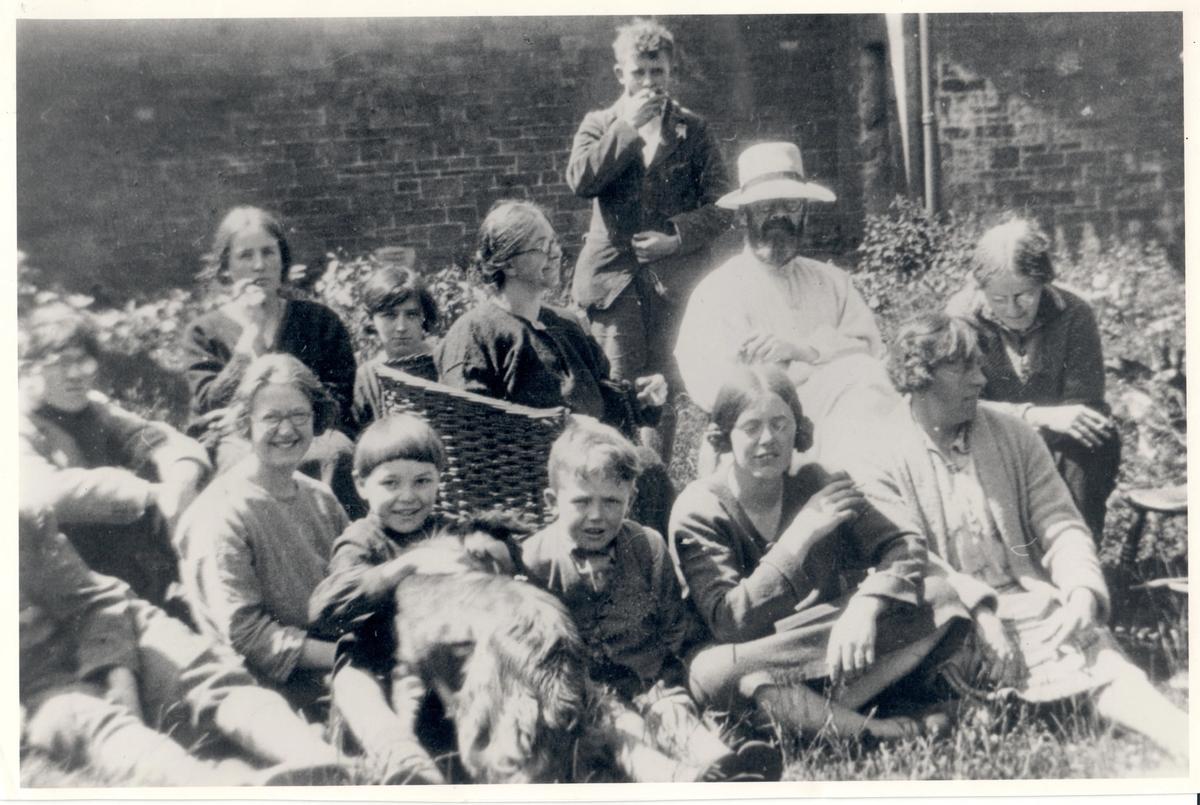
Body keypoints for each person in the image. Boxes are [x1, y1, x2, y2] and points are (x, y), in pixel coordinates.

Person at [850, 312, 1186, 759]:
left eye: (979, 364)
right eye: (964, 368)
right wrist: (983, 613)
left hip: (1027, 598)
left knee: (1100, 657)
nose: (980, 379)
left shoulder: (1013, 433)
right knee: (958, 656)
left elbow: (1060, 521)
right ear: (920, 377)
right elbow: (910, 556)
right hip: (945, 614)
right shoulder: (877, 454)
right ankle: (974, 707)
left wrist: (1082, 589)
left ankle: (1182, 737)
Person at [670, 365, 967, 740]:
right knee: (712, 672)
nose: (768, 440)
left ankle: (810, 715)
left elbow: (903, 543)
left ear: (798, 429)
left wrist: (867, 606)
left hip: (827, 641)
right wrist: (800, 537)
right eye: (751, 427)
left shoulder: (817, 481)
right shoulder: (700, 507)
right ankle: (875, 729)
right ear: (724, 434)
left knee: (939, 595)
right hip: (754, 651)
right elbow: (728, 622)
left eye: (781, 424)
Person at [19, 499, 350, 787]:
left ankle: (318, 760)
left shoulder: (19, 517)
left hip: (110, 625)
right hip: (36, 680)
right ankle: (218, 788)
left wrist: (120, 677)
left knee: (198, 673)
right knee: (86, 721)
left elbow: (92, 601)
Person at [521, 418, 781, 782]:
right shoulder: (534, 561)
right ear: (552, 501)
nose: (597, 516)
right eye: (582, 502)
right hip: (586, 693)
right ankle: (680, 781)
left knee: (673, 715)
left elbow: (675, 627)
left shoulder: (646, 547)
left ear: (631, 500)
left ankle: (726, 763)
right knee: (625, 731)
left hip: (649, 679)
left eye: (612, 502)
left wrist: (682, 680)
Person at [437, 199, 673, 535]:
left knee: (646, 467)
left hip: (592, 464)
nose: (555, 254)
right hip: (530, 478)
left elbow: (600, 393)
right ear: (509, 264)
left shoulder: (564, 323)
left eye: (554, 243)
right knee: (643, 467)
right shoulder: (476, 332)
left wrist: (640, 400)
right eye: (541, 247)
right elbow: (469, 420)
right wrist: (558, 426)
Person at [673, 141, 900, 465]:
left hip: (843, 428)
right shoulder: (718, 292)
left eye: (791, 205)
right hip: (760, 445)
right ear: (743, 215)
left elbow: (869, 353)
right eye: (766, 207)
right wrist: (784, 377)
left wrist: (801, 351)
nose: (780, 217)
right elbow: (713, 388)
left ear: (805, 211)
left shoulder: (832, 282)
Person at [566, 18, 731, 460]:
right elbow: (580, 180)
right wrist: (626, 130)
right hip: (614, 283)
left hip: (673, 282)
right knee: (617, 387)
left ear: (670, 72)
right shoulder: (600, 124)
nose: (649, 82)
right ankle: (615, 481)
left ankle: (654, 488)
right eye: (639, 72)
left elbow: (724, 205)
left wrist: (675, 239)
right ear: (621, 74)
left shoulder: (692, 130)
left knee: (661, 390)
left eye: (657, 72)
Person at [176, 354, 348, 714]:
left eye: (299, 416)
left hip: (329, 660)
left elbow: (351, 581)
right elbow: (247, 636)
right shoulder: (223, 511)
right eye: (271, 418)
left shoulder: (319, 497)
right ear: (245, 424)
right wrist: (347, 657)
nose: (287, 431)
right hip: (265, 686)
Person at [19, 302, 208, 609]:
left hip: (122, 555)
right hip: (64, 577)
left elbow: (150, 436)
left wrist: (180, 476)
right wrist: (150, 493)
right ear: (28, 367)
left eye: (84, 361)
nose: (77, 374)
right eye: (61, 363)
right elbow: (47, 492)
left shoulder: (92, 406)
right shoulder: (18, 421)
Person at [309, 414, 460, 785]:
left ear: (440, 478)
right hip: (372, 663)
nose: (408, 497)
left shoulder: (448, 531)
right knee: (353, 686)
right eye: (391, 483)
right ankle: (400, 758)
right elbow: (325, 608)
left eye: (422, 481)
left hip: (435, 666)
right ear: (361, 485)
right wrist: (401, 568)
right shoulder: (361, 539)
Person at [182, 205, 362, 517]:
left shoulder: (318, 321)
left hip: (313, 434)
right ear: (226, 267)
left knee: (335, 453)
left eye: (268, 253)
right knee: (242, 466)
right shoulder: (204, 332)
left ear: (282, 260)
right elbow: (209, 407)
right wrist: (247, 342)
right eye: (245, 256)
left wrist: (292, 420)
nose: (259, 265)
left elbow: (339, 397)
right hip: (239, 443)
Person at [945, 218, 1119, 540]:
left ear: (1044, 282)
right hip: (988, 435)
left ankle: (1075, 555)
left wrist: (1054, 424)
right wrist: (1034, 415)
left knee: (1094, 435)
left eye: (1024, 295)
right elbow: (956, 404)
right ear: (979, 288)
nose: (1012, 309)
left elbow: (1083, 405)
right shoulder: (960, 319)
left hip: (1059, 441)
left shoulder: (1074, 313)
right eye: (999, 299)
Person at [350, 266, 440, 431]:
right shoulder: (367, 379)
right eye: (390, 316)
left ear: (424, 316)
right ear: (371, 319)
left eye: (411, 314)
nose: (401, 327)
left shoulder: (442, 363)